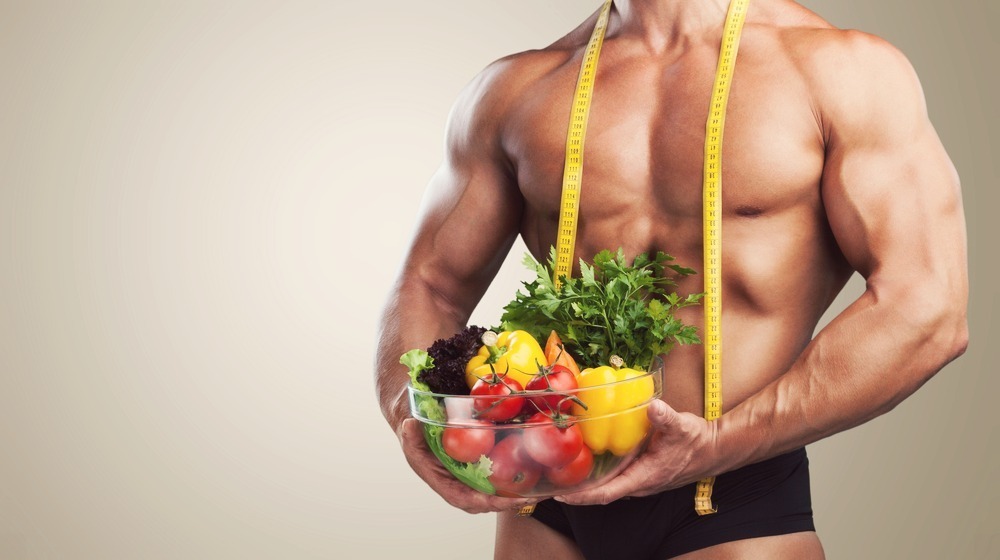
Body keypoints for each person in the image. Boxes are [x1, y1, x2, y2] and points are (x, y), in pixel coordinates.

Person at [374, 0, 969, 557]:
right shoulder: (517, 89)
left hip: (733, 493)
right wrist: (414, 415)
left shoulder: (838, 71)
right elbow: (429, 282)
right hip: (547, 494)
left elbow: (926, 307)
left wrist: (722, 443)